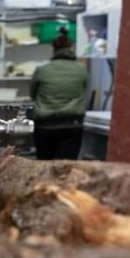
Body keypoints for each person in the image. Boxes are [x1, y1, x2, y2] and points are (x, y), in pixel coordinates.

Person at [30, 27, 88, 160]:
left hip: (46, 125)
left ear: (53, 50)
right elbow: (84, 91)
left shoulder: (42, 70)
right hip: (72, 124)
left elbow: (33, 94)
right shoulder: (81, 70)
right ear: (71, 48)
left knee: (45, 166)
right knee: (66, 168)